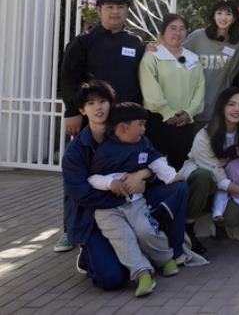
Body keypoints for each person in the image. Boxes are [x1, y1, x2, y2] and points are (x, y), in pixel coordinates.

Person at [62, 81, 187, 290]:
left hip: (132, 202)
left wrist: (143, 176)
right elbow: (81, 194)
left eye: (103, 101)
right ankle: (89, 254)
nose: (98, 107)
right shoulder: (76, 151)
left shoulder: (129, 133)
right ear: (83, 110)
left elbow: (152, 159)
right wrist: (125, 193)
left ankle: (170, 252)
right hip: (94, 215)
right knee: (110, 279)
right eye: (91, 104)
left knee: (179, 188)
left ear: (112, 104)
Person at [57, 0, 145, 253]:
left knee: (117, 173)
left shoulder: (135, 42)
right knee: (82, 174)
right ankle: (69, 229)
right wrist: (71, 111)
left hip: (123, 123)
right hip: (90, 120)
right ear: (99, 11)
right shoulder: (84, 41)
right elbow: (68, 78)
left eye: (120, 7)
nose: (115, 12)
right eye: (109, 7)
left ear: (127, 11)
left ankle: (118, 224)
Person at [87, 103, 186, 297]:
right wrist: (110, 183)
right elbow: (93, 178)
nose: (143, 129)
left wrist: (169, 176)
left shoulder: (143, 143)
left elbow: (156, 160)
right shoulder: (106, 150)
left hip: (136, 202)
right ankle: (142, 273)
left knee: (146, 230)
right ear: (124, 127)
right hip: (107, 210)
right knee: (123, 239)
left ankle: (165, 258)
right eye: (140, 124)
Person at [180, 87, 239, 255]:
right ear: (222, 107)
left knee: (233, 217)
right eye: (232, 104)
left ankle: (216, 224)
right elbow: (218, 177)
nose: (237, 109)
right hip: (204, 182)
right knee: (203, 177)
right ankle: (188, 226)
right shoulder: (204, 135)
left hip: (227, 186)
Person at [139, 14, 205, 169]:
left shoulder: (193, 58)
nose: (178, 33)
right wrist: (167, 113)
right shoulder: (152, 56)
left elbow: (200, 88)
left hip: (185, 123)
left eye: (182, 29)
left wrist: (189, 113)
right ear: (163, 32)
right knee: (155, 166)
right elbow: (149, 87)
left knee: (180, 166)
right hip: (158, 121)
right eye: (173, 28)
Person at [184, 0, 239, 130]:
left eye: (228, 14)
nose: (223, 18)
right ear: (213, 15)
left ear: (234, 18)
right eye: (220, 13)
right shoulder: (197, 37)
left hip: (219, 107)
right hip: (192, 106)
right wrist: (154, 47)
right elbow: (175, 51)